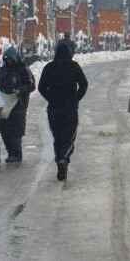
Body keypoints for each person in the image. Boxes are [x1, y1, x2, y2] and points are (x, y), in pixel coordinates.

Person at [38, 39, 89, 182]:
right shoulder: (74, 66)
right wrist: (76, 98)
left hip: (53, 109)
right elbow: (84, 84)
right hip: (70, 108)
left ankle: (60, 159)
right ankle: (63, 159)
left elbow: (41, 87)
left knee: (58, 137)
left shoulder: (49, 67)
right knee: (69, 137)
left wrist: (50, 98)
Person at [0, 46, 35, 163]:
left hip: (18, 103)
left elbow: (31, 85)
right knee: (4, 128)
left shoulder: (23, 69)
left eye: (10, 60)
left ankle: (17, 153)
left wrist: (20, 90)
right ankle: (10, 152)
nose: (8, 62)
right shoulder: (3, 70)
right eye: (6, 60)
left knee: (15, 129)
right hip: (5, 102)